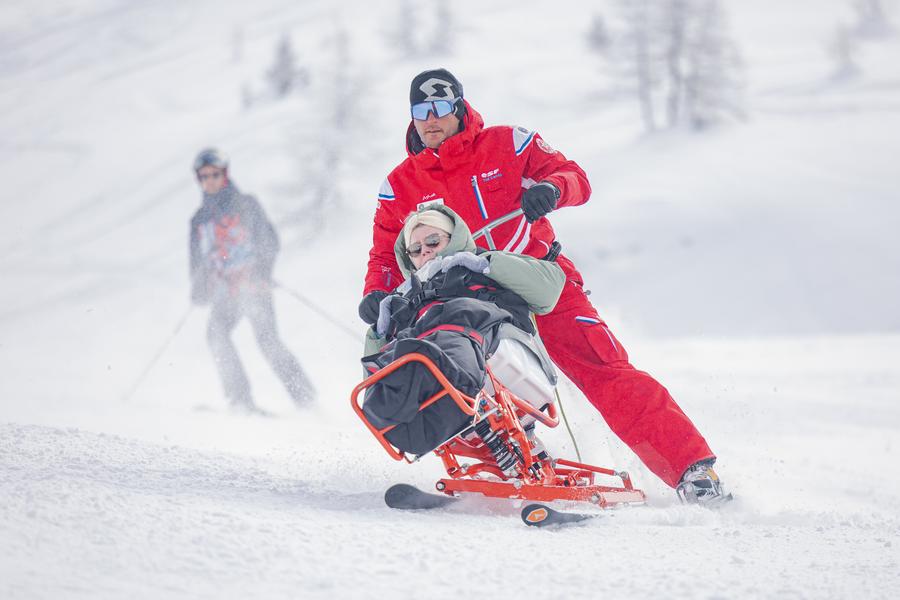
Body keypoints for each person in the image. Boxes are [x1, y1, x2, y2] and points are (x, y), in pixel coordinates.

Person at [360, 69, 729, 504]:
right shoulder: (400, 185)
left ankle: (693, 470)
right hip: (468, 296)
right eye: (420, 111)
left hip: (539, 277)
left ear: (459, 106)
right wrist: (376, 292)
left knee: (603, 368)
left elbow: (574, 177)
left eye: (440, 107)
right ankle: (514, 462)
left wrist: (552, 189)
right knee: (456, 371)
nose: (431, 119)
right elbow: (385, 255)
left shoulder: (507, 144)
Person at [361, 204, 565, 455]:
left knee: (455, 313)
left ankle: (449, 379)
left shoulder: (482, 263)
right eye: (415, 249)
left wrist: (485, 264)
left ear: (453, 238)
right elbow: (373, 374)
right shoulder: (406, 301)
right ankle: (401, 410)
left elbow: (549, 291)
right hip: (443, 380)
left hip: (503, 348)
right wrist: (379, 331)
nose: (425, 251)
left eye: (433, 241)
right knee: (398, 353)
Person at [189, 148, 315, 412]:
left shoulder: (245, 204)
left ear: (225, 174)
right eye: (203, 177)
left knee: (267, 340)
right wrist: (199, 286)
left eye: (214, 174)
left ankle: (306, 400)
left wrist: (262, 270)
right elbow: (197, 260)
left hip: (253, 285)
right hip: (225, 290)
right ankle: (240, 400)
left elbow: (269, 240)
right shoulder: (199, 220)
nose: (209, 181)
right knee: (216, 334)